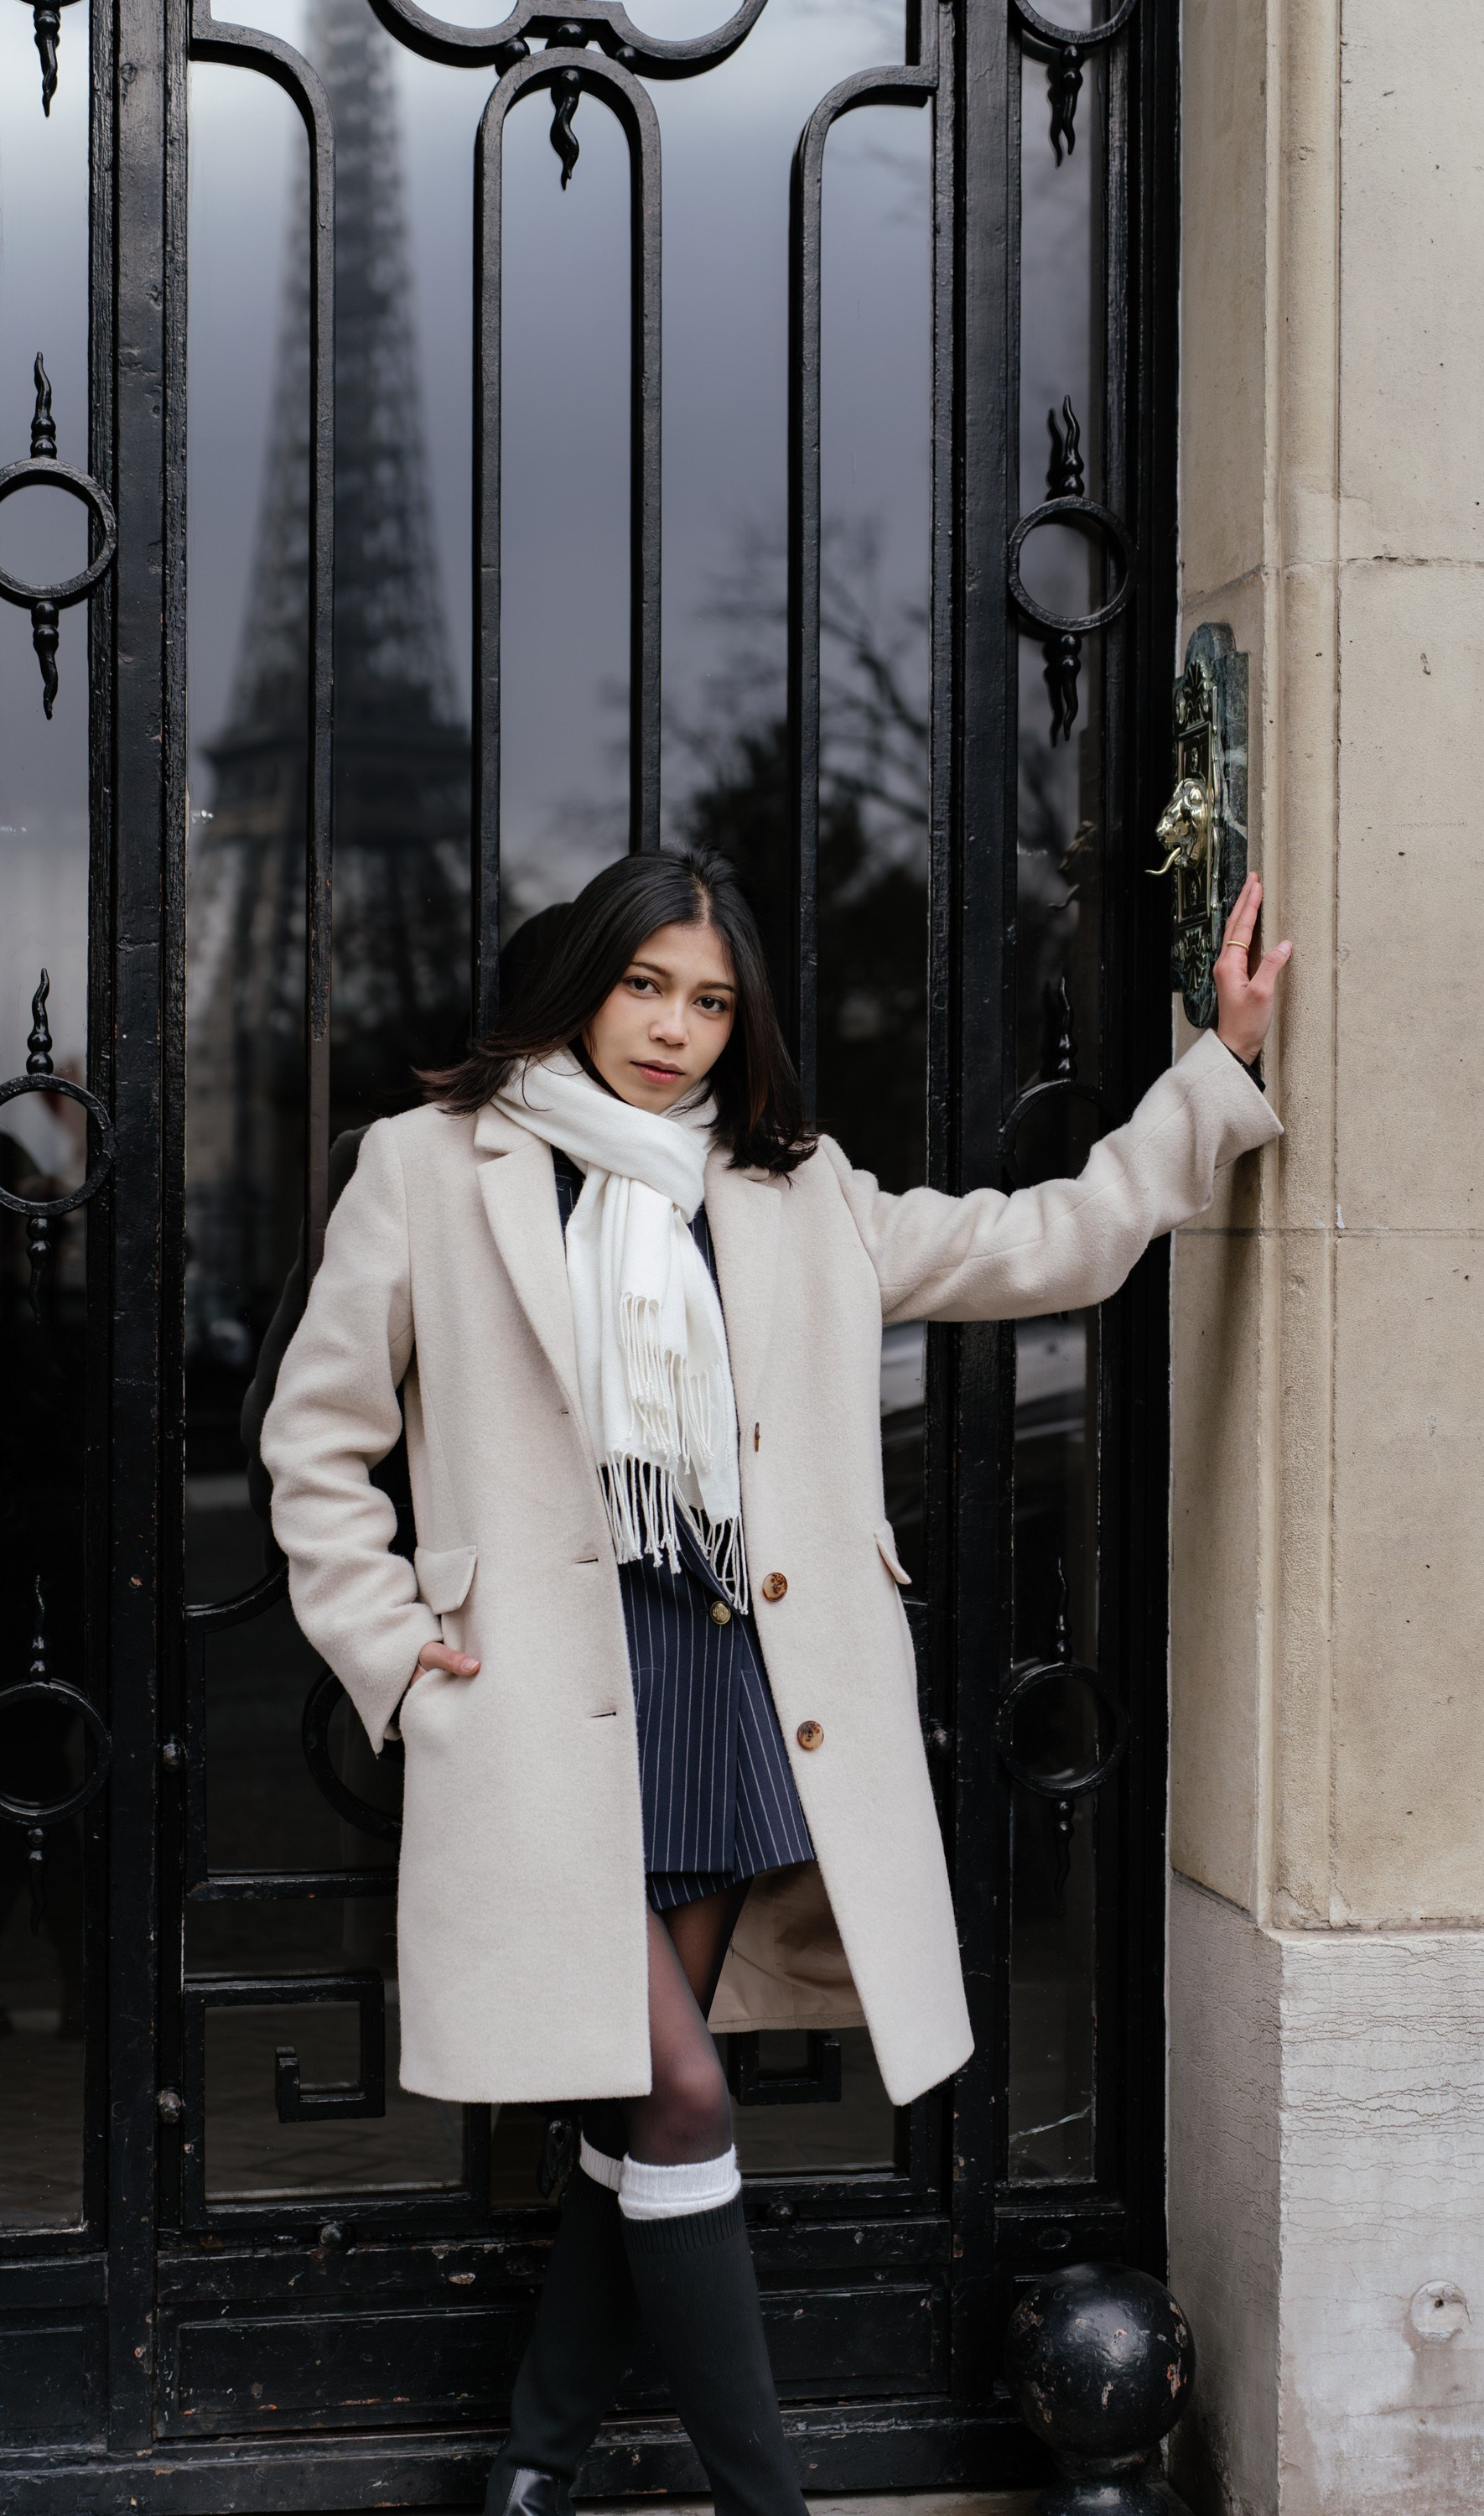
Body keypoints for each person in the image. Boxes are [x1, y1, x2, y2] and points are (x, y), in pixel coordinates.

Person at [259, 845, 1289, 2516]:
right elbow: (316, 1446)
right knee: (672, 2088)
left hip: (729, 1691)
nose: (673, 1031)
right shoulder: (434, 1169)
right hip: (538, 1710)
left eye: (711, 1002)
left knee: (637, 2108)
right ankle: (767, 2503)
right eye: (646, 986)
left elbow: (1044, 1246)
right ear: (586, 980)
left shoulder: (786, 1188)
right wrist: (393, 1649)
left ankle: (530, 2461)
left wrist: (1217, 1070)